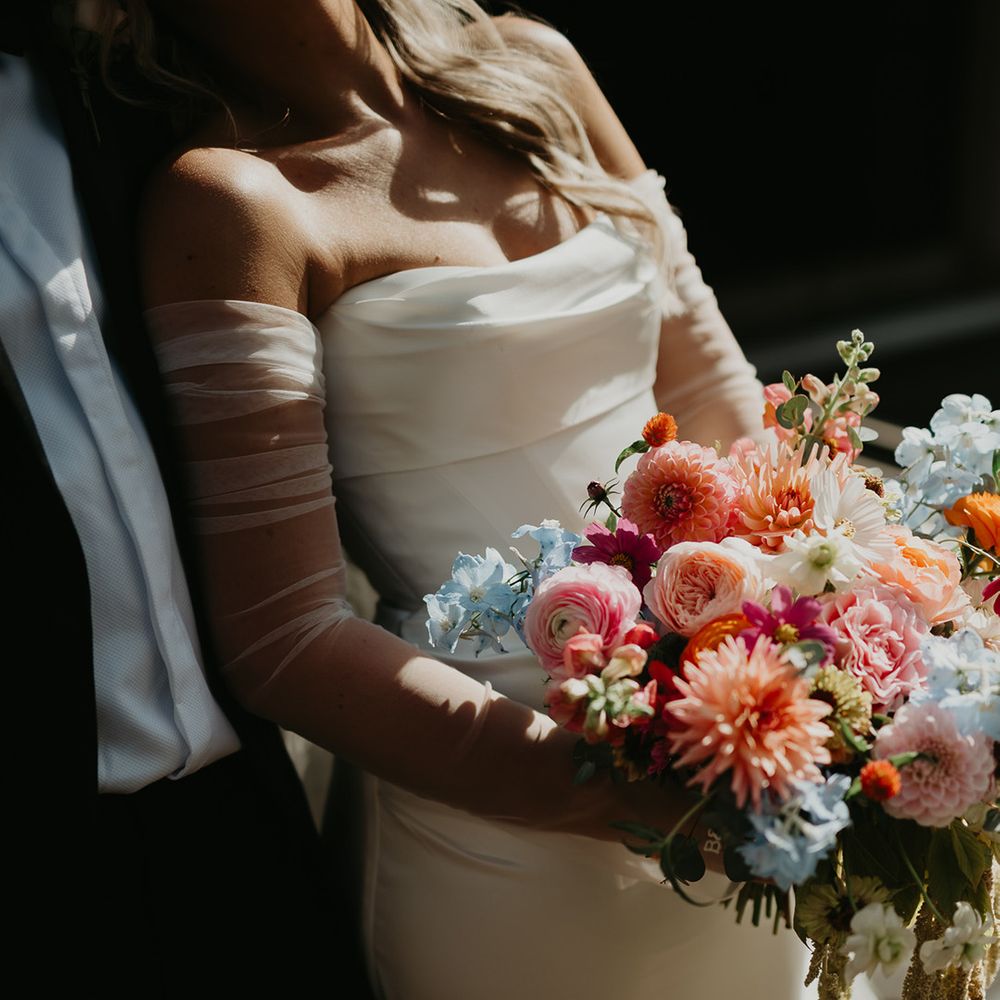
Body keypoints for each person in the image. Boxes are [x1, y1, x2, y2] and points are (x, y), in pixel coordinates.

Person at [102, 0, 814, 997]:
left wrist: (829, 635)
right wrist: (602, 786)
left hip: (747, 741)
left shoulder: (538, 70)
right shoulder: (232, 202)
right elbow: (283, 638)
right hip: (500, 830)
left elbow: (712, 397)